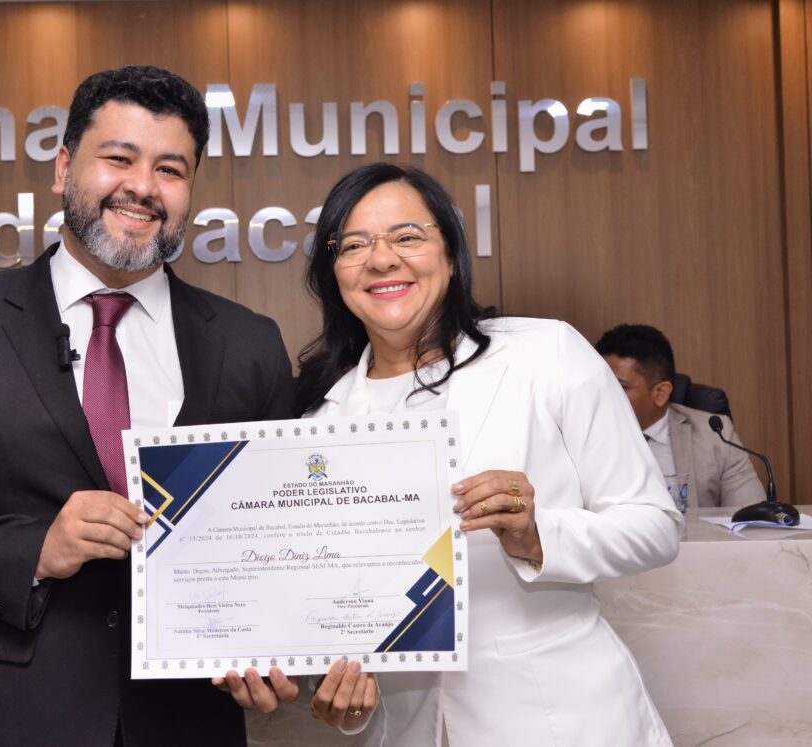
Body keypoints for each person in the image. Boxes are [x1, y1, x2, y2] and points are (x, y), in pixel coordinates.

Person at [0, 66, 297, 746]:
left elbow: (277, 532)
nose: (143, 186)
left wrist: (272, 645)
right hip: (5, 720)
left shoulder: (249, 342)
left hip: (187, 722)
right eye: (119, 157)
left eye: (170, 169)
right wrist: (35, 547)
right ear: (63, 168)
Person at [292, 163, 681, 746]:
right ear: (333, 273)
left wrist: (536, 535)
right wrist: (350, 702)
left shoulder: (546, 354)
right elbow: (336, 613)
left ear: (451, 255)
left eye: (407, 236)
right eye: (353, 245)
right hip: (407, 730)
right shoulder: (320, 425)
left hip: (560, 719)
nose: (381, 259)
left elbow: (656, 526)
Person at [595, 324, 766, 508]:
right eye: (600, 383)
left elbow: (751, 515)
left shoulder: (715, 437)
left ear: (661, 393)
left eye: (620, 386)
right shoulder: (582, 434)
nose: (604, 393)